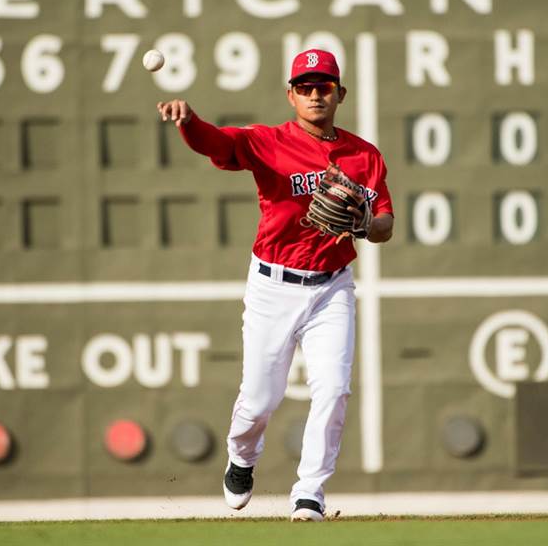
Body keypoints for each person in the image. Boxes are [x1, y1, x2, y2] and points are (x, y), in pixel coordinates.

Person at [156, 49, 394, 522]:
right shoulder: (268, 141)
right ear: (291, 94)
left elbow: (386, 223)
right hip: (273, 284)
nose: (314, 94)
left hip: (332, 287)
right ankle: (242, 457)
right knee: (261, 398)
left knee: (333, 388)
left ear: (339, 94)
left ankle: (310, 492)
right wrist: (188, 122)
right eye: (304, 87)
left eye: (323, 86)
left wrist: (367, 220)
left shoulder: (364, 155)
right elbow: (218, 144)